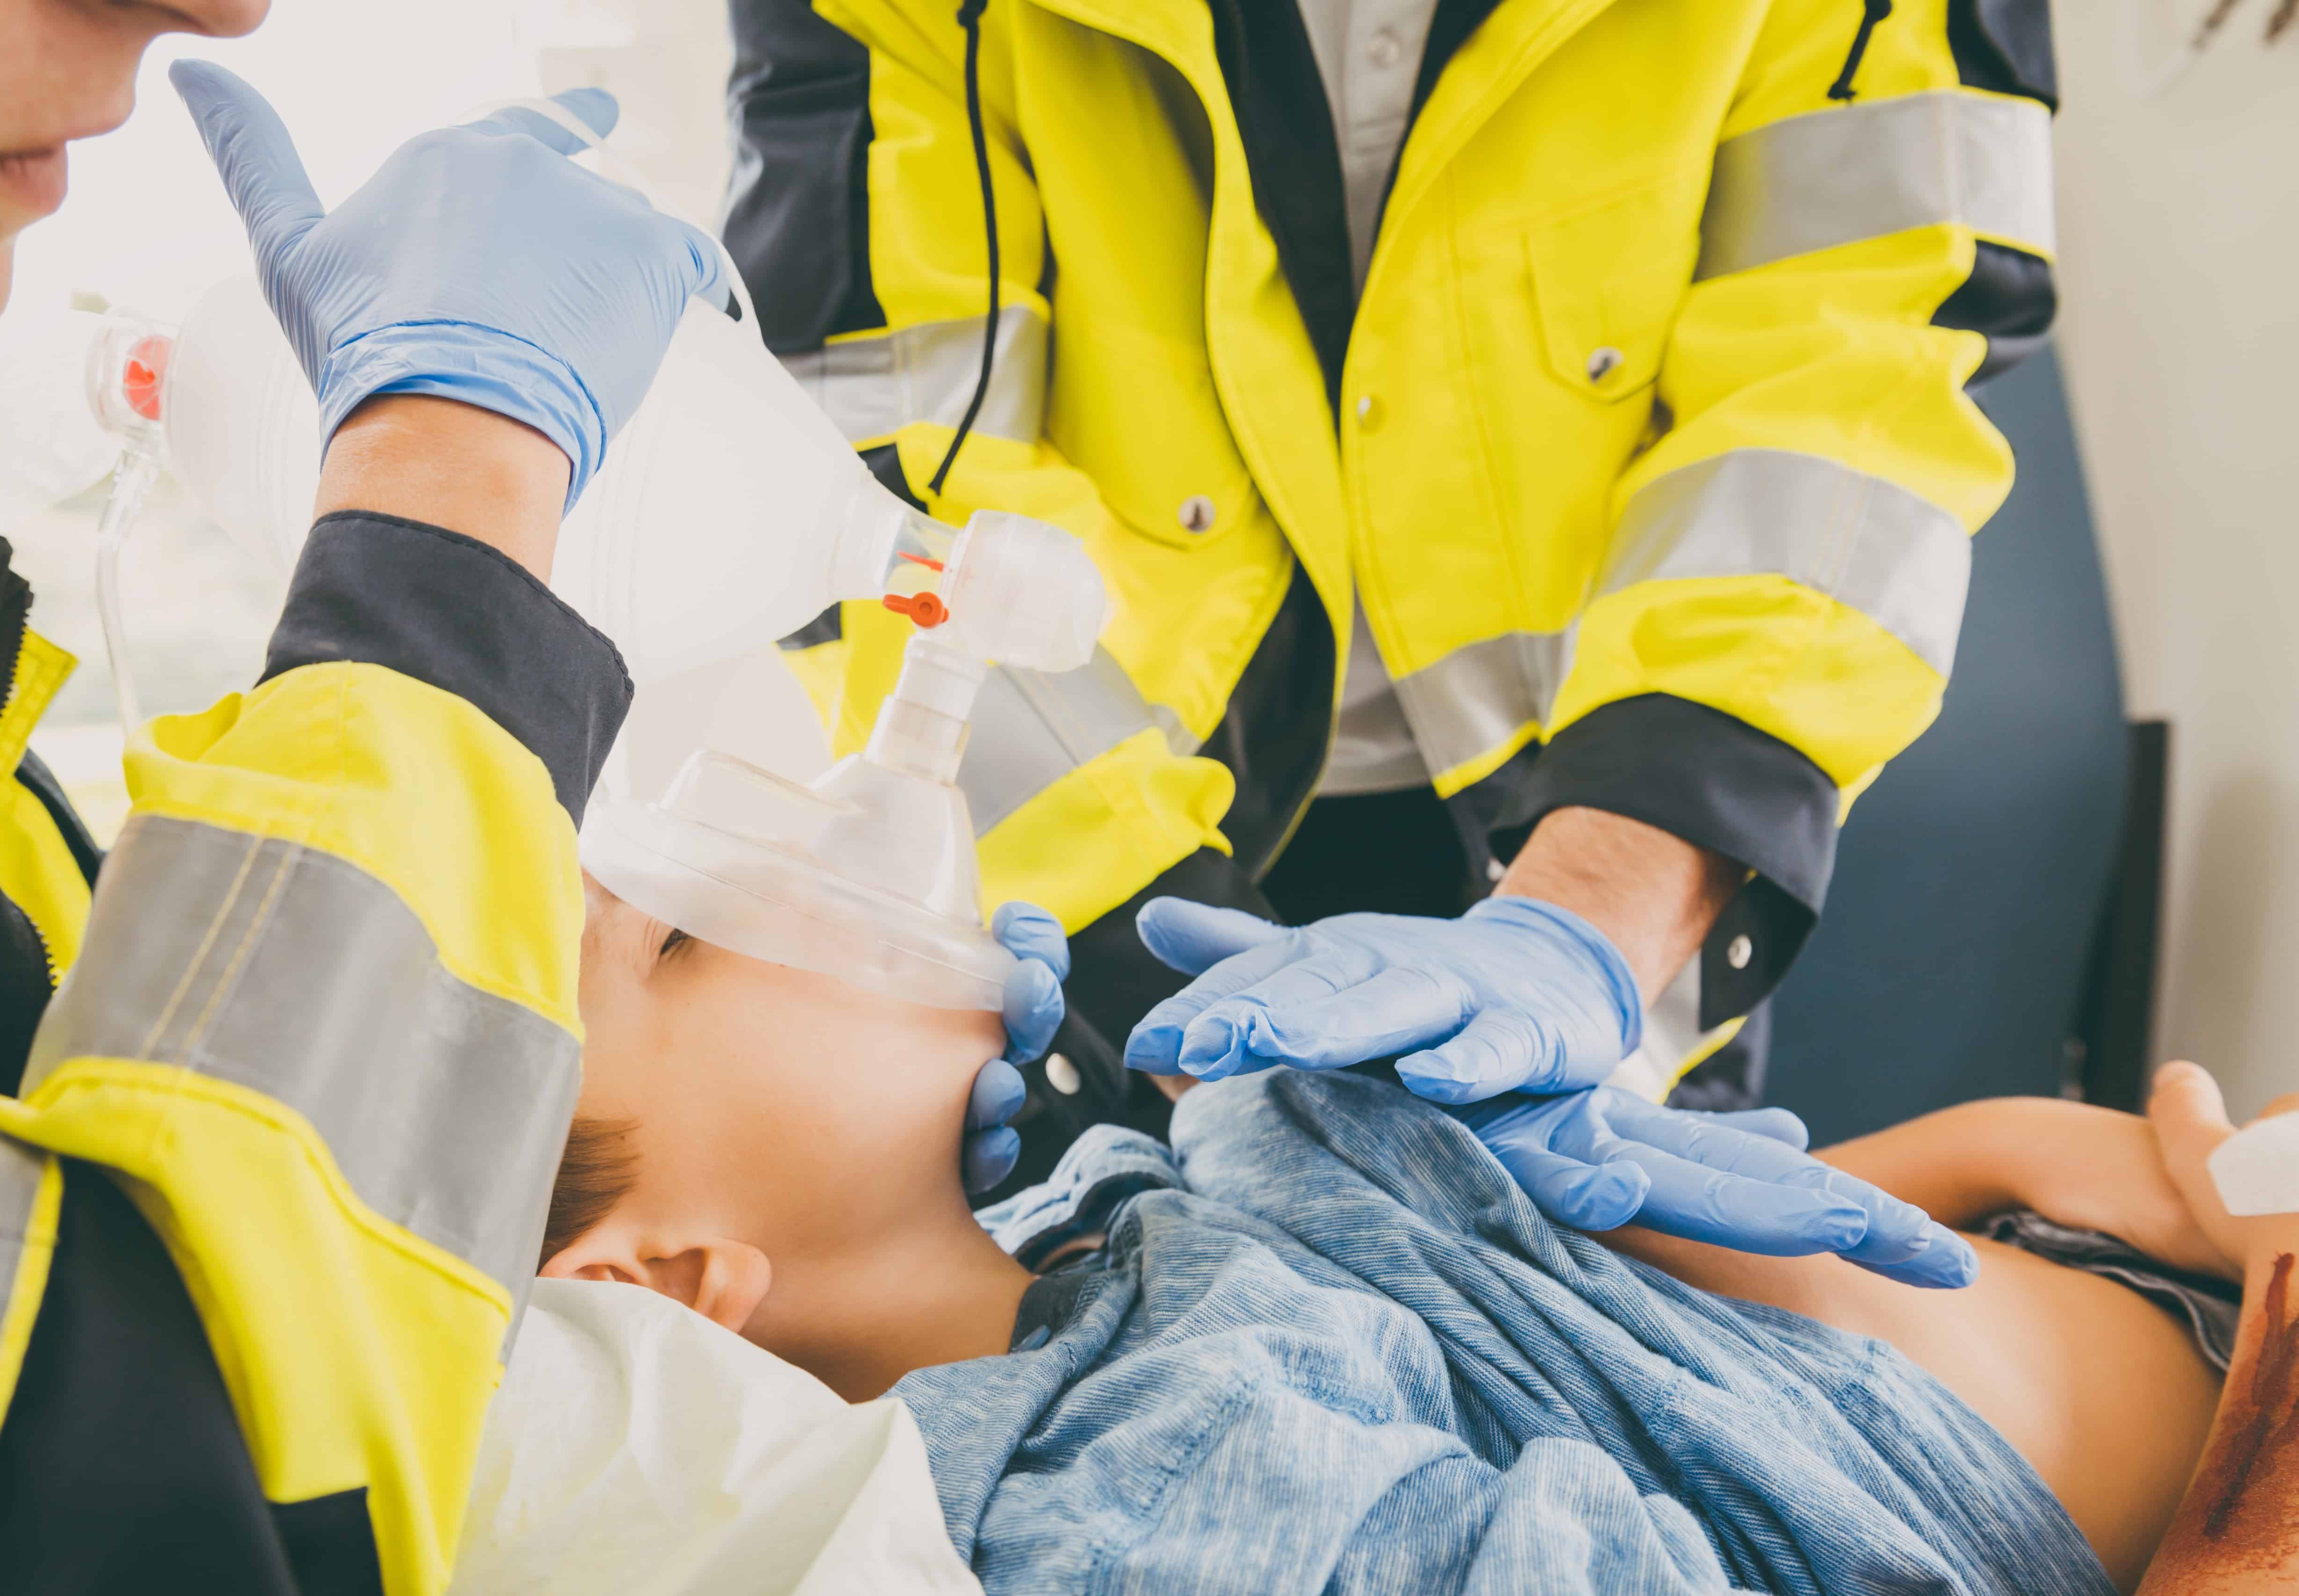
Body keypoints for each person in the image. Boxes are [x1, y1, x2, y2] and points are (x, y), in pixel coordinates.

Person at [0, 5, 916, 1596]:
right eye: (664, 941)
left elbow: (89, 1052)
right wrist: (447, 502)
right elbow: (148, 1504)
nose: (218, 7)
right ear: (657, 1284)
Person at [722, 0, 2062, 1217]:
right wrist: (1173, 1013)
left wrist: (1587, 933)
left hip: (1609, 812)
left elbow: (1857, 380)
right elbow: (887, 461)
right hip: (1122, 826)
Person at [542, 886, 2299, 1596]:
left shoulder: (1095, 1221)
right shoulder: (1184, 1564)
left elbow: (1725, 1328)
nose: (782, 874)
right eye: (688, 938)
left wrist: (2027, 1165)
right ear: (663, 1282)